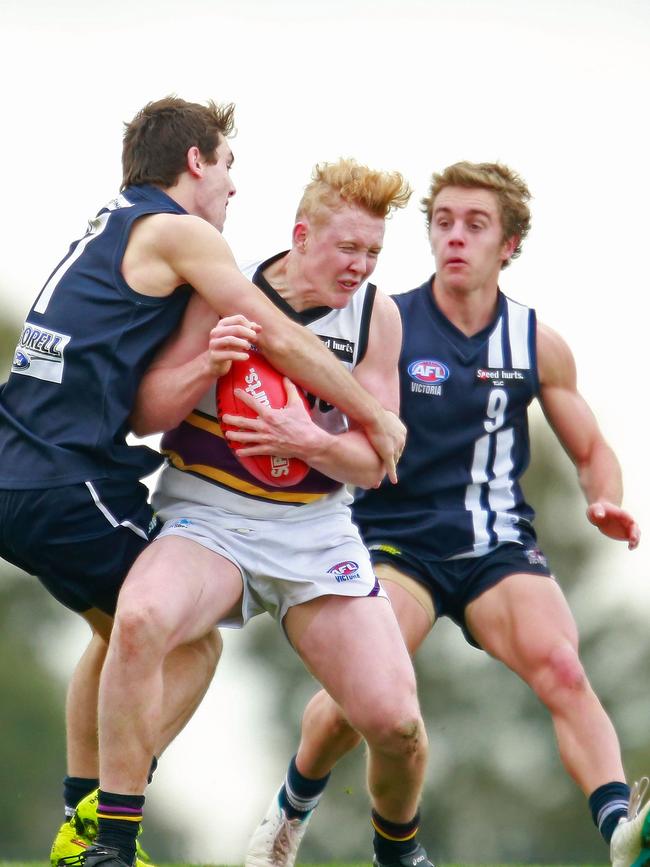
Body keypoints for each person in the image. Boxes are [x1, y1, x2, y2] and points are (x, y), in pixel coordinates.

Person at [0, 96, 405, 866]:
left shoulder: (118, 218)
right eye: (227, 166)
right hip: (62, 480)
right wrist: (371, 416)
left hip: (23, 468)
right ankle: (103, 830)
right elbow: (279, 334)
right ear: (195, 162)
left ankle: (78, 822)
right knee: (186, 643)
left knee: (118, 626)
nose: (231, 187)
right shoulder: (182, 231)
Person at [245, 160, 648, 867]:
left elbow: (591, 448)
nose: (455, 237)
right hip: (394, 543)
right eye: (443, 222)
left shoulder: (535, 342)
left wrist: (603, 497)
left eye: (475, 224)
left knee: (562, 663)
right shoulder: (388, 321)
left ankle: (620, 829)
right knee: (358, 700)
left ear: (510, 244)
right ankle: (288, 813)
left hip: (496, 548)